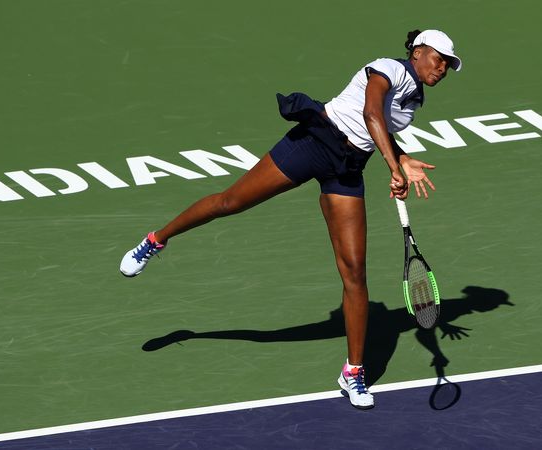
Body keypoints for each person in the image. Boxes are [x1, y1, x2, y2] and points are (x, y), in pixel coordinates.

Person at [120, 29, 462, 410]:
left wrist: (401, 158)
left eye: (449, 64)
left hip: (347, 169)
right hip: (314, 144)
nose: (443, 68)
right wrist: (393, 164)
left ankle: (353, 372)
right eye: (439, 59)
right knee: (230, 202)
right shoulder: (388, 69)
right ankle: (156, 240)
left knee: (354, 271)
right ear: (417, 52)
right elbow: (369, 111)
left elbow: (374, 128)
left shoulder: (415, 101)